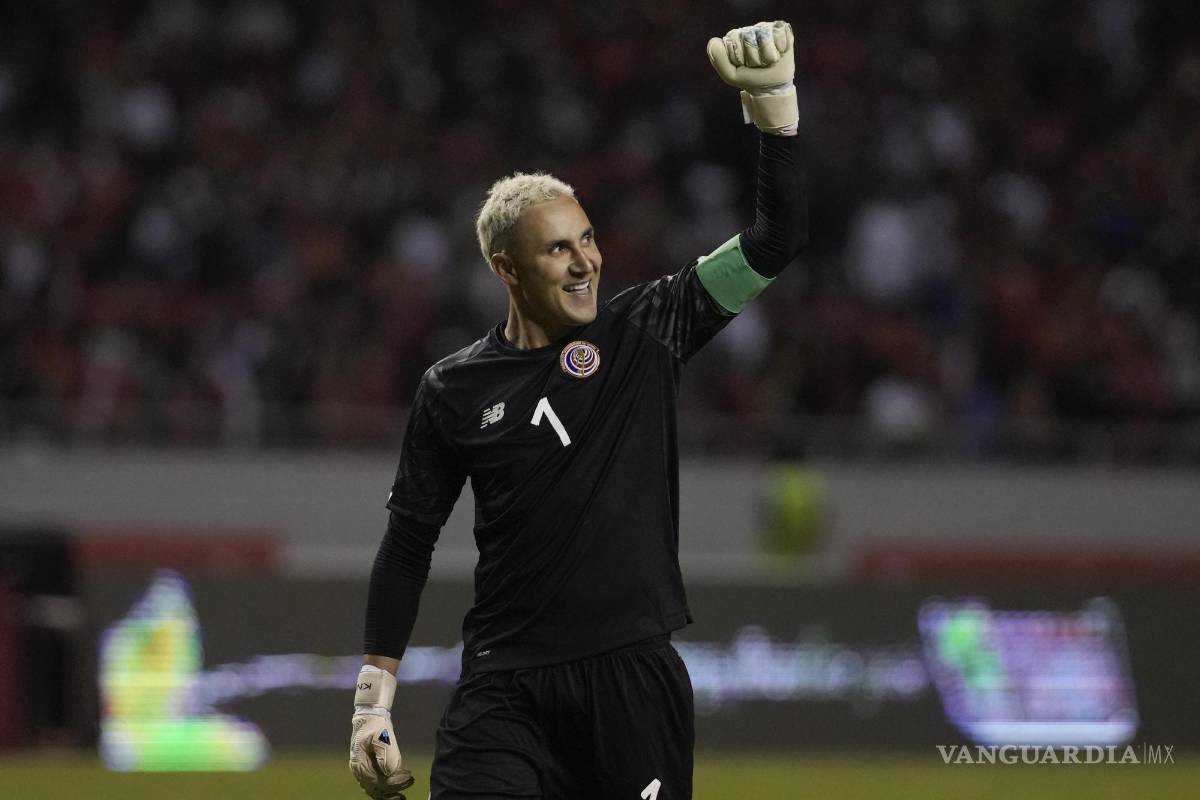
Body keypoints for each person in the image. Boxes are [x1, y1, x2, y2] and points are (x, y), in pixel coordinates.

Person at [349, 20, 808, 800]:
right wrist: (372, 702)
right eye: (558, 248)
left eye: (588, 239)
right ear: (507, 267)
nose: (586, 259)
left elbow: (776, 240)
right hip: (504, 689)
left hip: (631, 684)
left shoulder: (649, 327)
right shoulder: (451, 389)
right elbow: (407, 544)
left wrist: (774, 109)